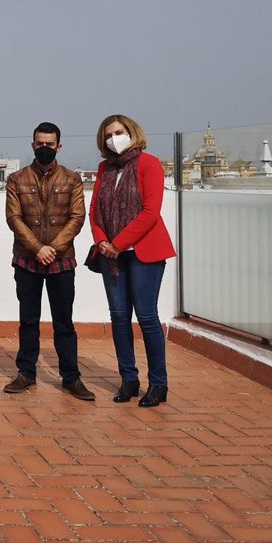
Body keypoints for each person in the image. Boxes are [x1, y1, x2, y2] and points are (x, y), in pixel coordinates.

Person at [4, 122, 94, 400]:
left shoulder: (71, 179)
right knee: (28, 320)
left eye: (50, 144)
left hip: (61, 261)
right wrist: (37, 248)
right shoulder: (17, 179)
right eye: (40, 144)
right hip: (26, 261)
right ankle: (26, 373)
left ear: (59, 146)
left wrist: (52, 248)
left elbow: (77, 217)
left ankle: (71, 377)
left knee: (64, 322)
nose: (45, 148)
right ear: (33, 145)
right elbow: (14, 218)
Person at [91, 114, 175, 408]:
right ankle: (128, 378)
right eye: (109, 134)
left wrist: (118, 243)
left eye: (119, 131)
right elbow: (95, 211)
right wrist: (102, 240)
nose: (114, 137)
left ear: (132, 132)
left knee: (147, 316)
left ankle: (158, 383)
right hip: (110, 255)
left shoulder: (149, 164)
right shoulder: (104, 168)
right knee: (118, 316)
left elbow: (150, 212)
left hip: (143, 252)